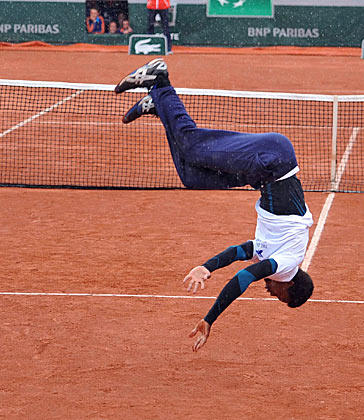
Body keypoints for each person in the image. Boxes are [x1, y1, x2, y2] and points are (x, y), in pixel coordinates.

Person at [115, 59, 315, 352]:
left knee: (192, 176)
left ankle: (158, 106)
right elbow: (244, 276)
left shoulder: (280, 251)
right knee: (194, 147)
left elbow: (240, 253)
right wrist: (209, 319)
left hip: (261, 173)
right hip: (272, 161)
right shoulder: (285, 268)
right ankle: (160, 81)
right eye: (280, 296)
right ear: (290, 286)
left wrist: (205, 267)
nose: (271, 293)